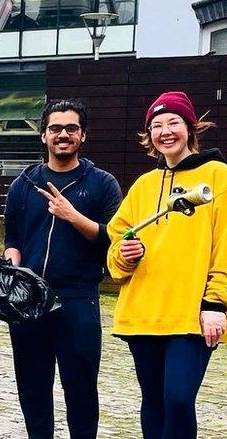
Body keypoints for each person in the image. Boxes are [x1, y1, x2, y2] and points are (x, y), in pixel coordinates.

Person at [106, 91, 227, 439]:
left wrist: (216, 303)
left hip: (190, 314)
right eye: (156, 125)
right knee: (154, 402)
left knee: (177, 399)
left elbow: (224, 245)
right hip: (143, 313)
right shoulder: (144, 185)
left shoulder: (217, 176)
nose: (165, 131)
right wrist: (123, 256)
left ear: (191, 127)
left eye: (173, 122)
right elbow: (117, 244)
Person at [2, 99, 122, 438]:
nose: (63, 134)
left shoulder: (103, 184)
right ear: (43, 135)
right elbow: (13, 237)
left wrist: (73, 215)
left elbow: (112, 238)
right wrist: (12, 263)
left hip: (78, 299)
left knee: (81, 390)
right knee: (33, 389)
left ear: (83, 135)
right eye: (55, 128)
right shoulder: (23, 184)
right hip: (29, 301)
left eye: (71, 128)